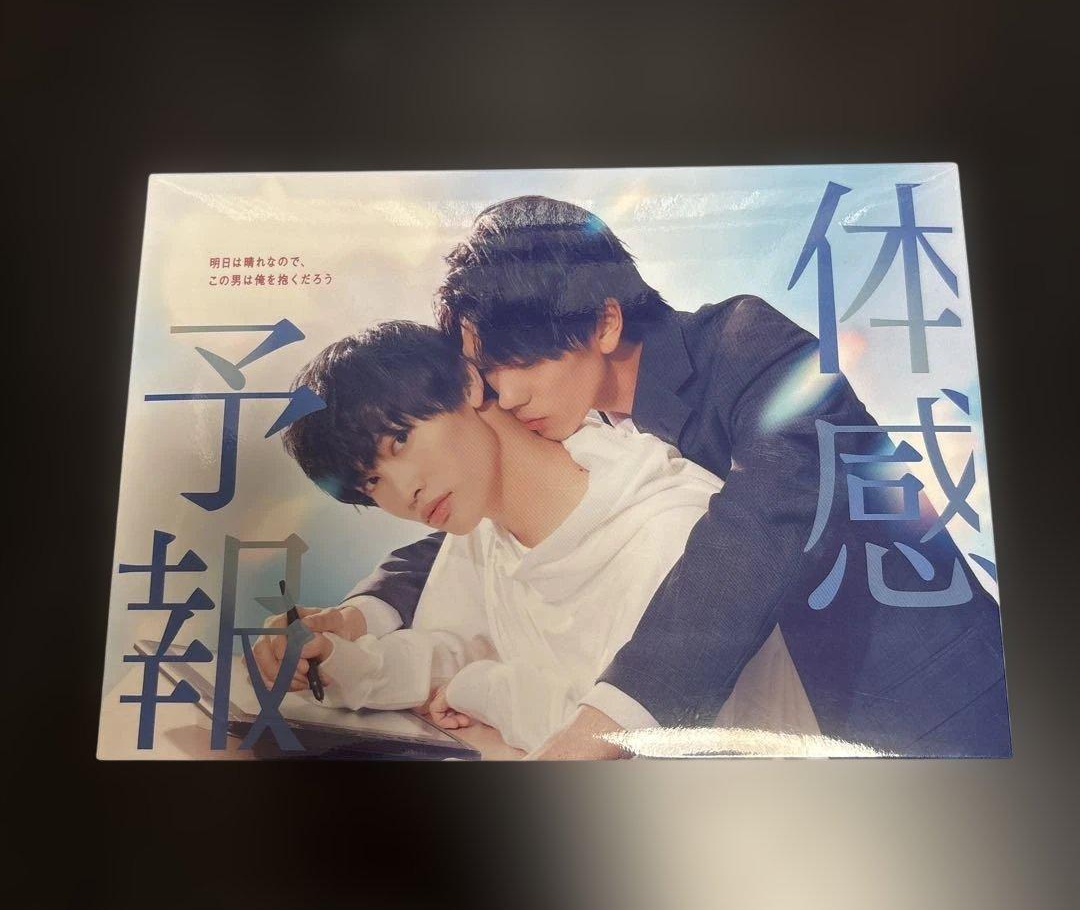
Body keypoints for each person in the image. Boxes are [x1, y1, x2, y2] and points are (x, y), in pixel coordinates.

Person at [316, 196, 1011, 759]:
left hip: (932, 708)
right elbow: (486, 512)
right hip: (794, 735)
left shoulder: (749, 348)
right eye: (489, 372)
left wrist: (605, 724)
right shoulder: (581, 422)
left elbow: (760, 526)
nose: (506, 393)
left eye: (519, 362)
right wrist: (363, 611)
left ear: (604, 322)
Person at [254, 321, 816, 754]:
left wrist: (481, 688)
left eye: (400, 440)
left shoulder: (667, 528)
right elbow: (455, 649)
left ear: (468, 383)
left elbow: (621, 735)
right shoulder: (484, 529)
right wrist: (338, 664)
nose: (405, 492)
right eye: (372, 482)